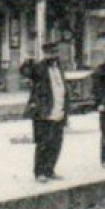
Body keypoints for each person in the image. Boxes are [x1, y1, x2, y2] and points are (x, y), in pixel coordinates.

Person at [21, 52, 68, 181]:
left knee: (56, 143)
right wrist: (28, 61)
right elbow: (26, 72)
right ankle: (40, 172)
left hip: (59, 110)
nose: (53, 56)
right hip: (44, 112)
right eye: (49, 53)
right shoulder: (39, 68)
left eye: (54, 52)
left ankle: (49, 169)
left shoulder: (59, 68)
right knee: (43, 143)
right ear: (45, 54)